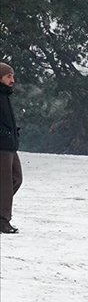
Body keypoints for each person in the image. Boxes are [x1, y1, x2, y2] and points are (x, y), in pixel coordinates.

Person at [0, 62, 22, 234]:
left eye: (12, 76)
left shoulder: (5, 95)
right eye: (9, 76)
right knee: (5, 184)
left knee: (16, 179)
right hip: (2, 146)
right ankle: (2, 220)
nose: (12, 80)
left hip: (10, 145)